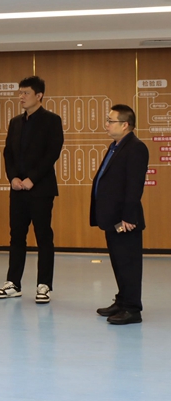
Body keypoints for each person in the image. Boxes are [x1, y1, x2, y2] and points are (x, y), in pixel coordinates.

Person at [0, 76, 64, 303]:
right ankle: (13, 283)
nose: (21, 97)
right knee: (16, 236)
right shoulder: (15, 122)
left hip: (41, 189)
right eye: (20, 93)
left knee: (43, 236)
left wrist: (32, 178)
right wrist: (12, 177)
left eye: (26, 93)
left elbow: (53, 152)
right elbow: (8, 153)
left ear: (39, 96)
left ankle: (44, 285)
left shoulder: (52, 120)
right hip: (17, 189)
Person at [90, 104, 148, 325]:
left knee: (128, 263)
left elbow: (134, 185)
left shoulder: (136, 148)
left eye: (110, 121)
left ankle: (132, 309)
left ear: (125, 125)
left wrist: (129, 217)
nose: (106, 124)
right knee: (118, 261)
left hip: (125, 219)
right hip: (112, 217)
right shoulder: (116, 146)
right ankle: (122, 300)